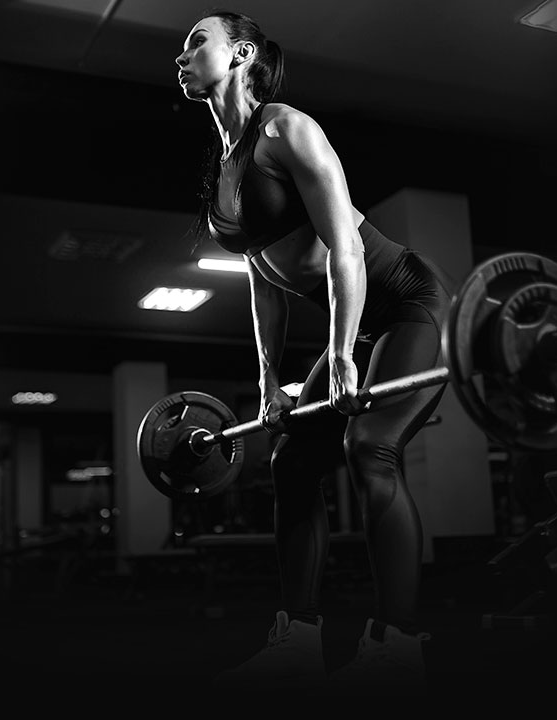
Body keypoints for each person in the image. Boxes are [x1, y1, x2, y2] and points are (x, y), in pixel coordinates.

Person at [176, 9, 454, 695]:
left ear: (240, 53)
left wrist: (340, 355)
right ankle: (297, 638)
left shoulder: (286, 129)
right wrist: (271, 384)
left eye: (194, 44)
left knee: (371, 449)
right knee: (294, 459)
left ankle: (399, 643)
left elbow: (348, 249)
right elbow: (262, 283)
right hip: (354, 322)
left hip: (406, 301)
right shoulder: (224, 168)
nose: (179, 59)